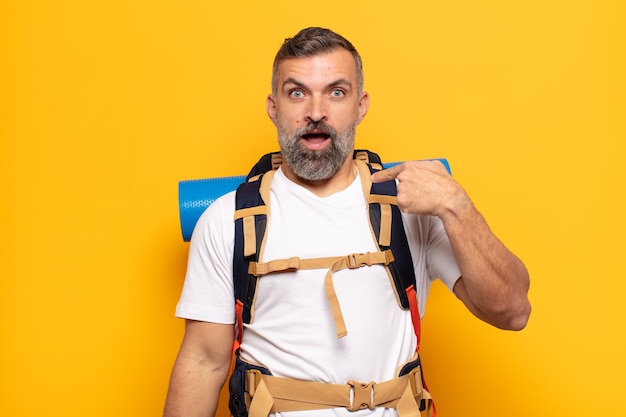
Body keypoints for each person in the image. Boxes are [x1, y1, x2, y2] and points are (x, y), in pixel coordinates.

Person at [163, 27, 531, 417]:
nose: (316, 112)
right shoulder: (226, 219)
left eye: (336, 92)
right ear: (274, 107)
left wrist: (457, 205)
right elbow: (204, 362)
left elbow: (512, 311)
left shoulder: (413, 208)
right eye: (297, 92)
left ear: (361, 105)